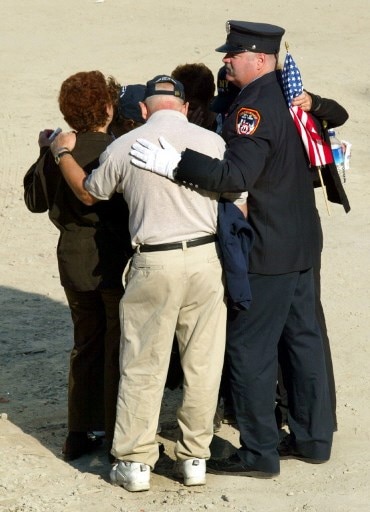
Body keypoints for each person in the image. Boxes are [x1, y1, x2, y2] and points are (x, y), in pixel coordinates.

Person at [130, 21, 335, 477]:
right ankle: (314, 439)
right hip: (300, 240)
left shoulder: (255, 107)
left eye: (234, 54)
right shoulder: (285, 88)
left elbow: (236, 178)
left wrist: (177, 162)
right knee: (303, 342)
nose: (225, 59)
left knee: (249, 348)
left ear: (259, 59)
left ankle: (259, 451)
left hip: (268, 247)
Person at [49, 74, 246, 491]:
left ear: (142, 110)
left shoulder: (123, 146)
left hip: (154, 261)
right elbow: (236, 193)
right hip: (205, 259)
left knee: (142, 363)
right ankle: (195, 456)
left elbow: (89, 192)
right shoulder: (211, 142)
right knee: (203, 362)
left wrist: (61, 153)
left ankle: (136, 461)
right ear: (185, 107)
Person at [23, 70, 132, 461]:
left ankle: (78, 430)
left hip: (73, 257)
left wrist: (45, 152)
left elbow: (34, 201)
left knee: (86, 343)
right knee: (118, 344)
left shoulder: (57, 151)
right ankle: (114, 428)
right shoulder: (119, 148)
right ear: (107, 107)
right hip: (116, 259)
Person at [276, 88, 350, 432]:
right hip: (293, 225)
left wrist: (313, 102)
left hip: (293, 226)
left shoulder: (291, 104)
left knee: (304, 324)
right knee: (300, 325)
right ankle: (308, 415)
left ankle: (317, 414)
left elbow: (338, 113)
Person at [171, 62, 217, 130]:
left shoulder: (224, 128)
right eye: (178, 106)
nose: (182, 112)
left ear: (209, 103)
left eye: (190, 108)